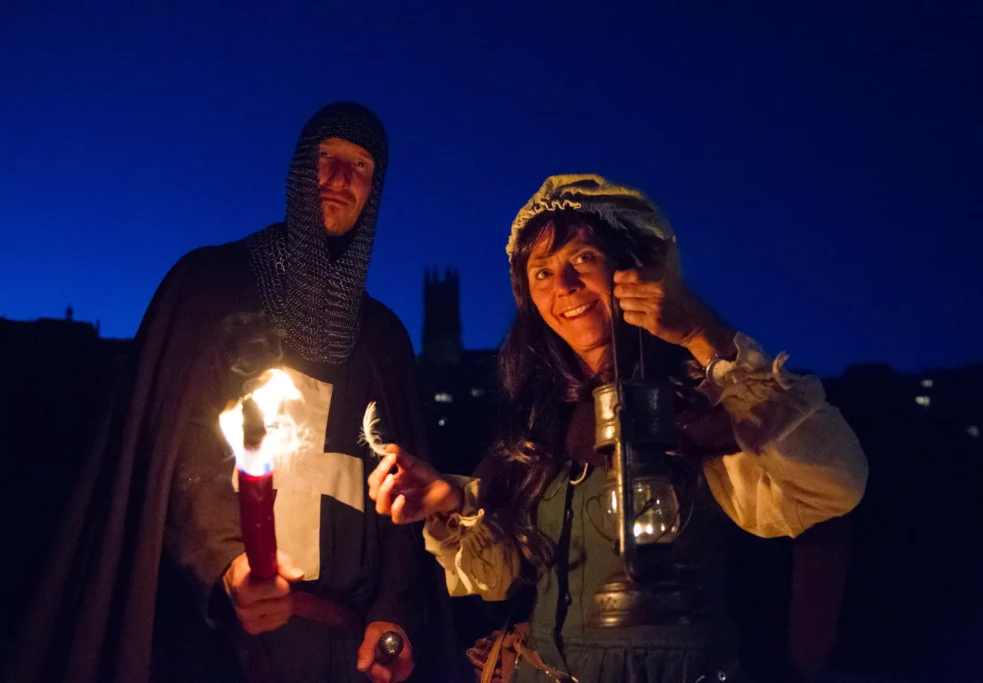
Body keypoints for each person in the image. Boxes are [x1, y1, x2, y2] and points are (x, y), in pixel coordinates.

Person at [368, 174, 869, 682]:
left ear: (634, 270)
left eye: (582, 258)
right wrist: (449, 501)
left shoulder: (714, 397)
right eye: (541, 272)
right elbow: (499, 577)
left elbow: (833, 485)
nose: (562, 287)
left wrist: (698, 328)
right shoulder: (542, 414)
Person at [13, 102, 442, 683]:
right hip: (226, 643)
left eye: (360, 165)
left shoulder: (383, 337)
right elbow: (179, 456)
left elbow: (400, 487)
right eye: (326, 159)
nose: (340, 179)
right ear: (297, 170)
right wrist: (229, 563)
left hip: (353, 648)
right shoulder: (211, 287)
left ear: (375, 189)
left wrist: (393, 610)